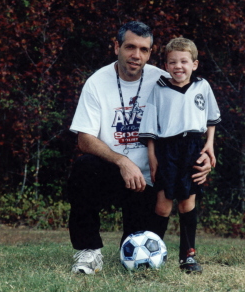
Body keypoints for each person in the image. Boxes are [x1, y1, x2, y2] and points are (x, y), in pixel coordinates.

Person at [68, 22, 213, 274]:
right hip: (114, 172)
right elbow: (84, 139)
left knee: (137, 249)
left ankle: (159, 250)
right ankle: (88, 252)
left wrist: (206, 157)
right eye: (130, 47)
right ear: (117, 47)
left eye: (144, 49)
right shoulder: (97, 83)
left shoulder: (165, 79)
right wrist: (122, 162)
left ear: (150, 52)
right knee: (84, 168)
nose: (136, 55)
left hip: (152, 180)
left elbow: (194, 120)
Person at [138, 38, 221, 273]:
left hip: (193, 147)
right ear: (165, 66)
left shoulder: (202, 86)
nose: (178, 66)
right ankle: (152, 255)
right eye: (172, 62)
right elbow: (151, 128)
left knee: (187, 201)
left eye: (184, 61)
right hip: (167, 149)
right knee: (163, 204)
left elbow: (211, 119)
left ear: (194, 64)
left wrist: (210, 146)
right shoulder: (159, 89)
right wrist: (152, 157)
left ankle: (188, 256)